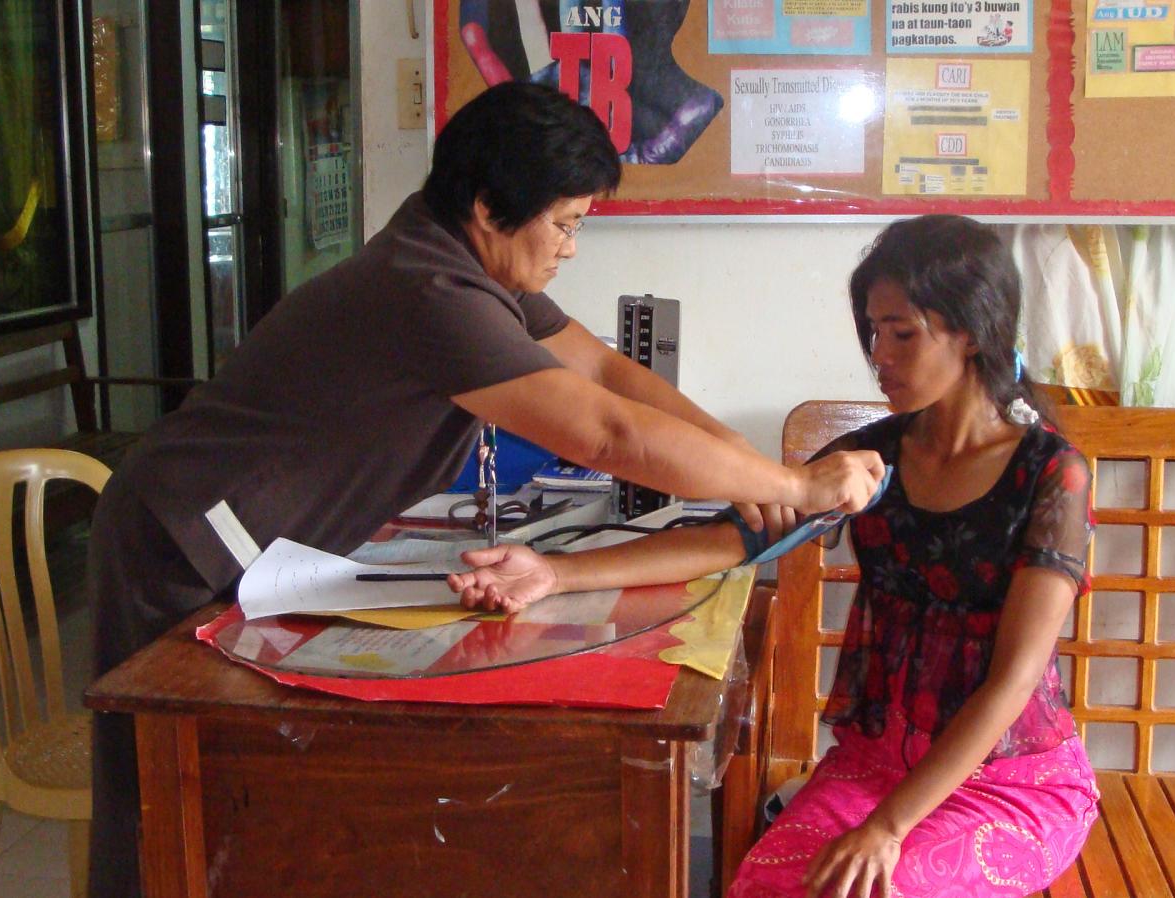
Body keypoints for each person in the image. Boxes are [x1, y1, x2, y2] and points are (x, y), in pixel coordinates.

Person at [85, 81, 885, 897]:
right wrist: (793, 480)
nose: (571, 247)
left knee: (260, 789)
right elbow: (605, 434)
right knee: (165, 792)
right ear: (487, 207)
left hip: (262, 538)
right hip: (181, 533)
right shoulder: (430, 290)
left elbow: (607, 373)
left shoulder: (470, 268)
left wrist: (750, 471)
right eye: (566, 223)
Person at [449, 216, 1099, 897]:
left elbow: (1015, 680)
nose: (880, 355)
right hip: (875, 766)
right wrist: (555, 573)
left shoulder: (1051, 474)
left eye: (902, 333)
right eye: (873, 332)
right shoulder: (873, 460)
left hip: (1010, 781)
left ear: (972, 331)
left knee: (885, 887)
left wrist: (888, 827)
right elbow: (727, 542)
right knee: (765, 885)